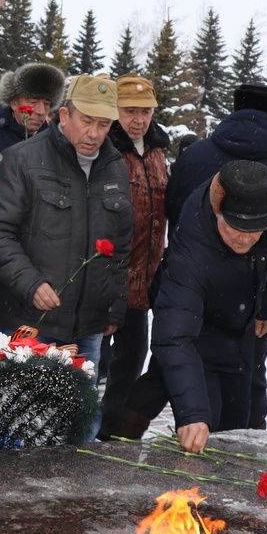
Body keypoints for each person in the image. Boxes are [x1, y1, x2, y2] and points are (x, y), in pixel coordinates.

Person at [163, 82, 267, 429]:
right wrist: (266, 301)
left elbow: (173, 208)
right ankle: (240, 440)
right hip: (249, 303)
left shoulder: (197, 155)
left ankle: (193, 425)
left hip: (188, 286)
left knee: (184, 364)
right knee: (245, 382)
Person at [0, 73, 133, 375]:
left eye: (103, 124)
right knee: (18, 416)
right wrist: (31, 284)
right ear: (64, 114)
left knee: (80, 419)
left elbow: (120, 245)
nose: (94, 133)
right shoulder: (22, 159)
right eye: (87, 121)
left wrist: (114, 306)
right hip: (27, 322)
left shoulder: (115, 169)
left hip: (87, 328)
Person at [152, 160, 267, 454]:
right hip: (198, 326)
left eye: (254, 231)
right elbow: (173, 335)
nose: (244, 237)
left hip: (240, 325)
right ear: (218, 212)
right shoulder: (192, 247)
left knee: (238, 423)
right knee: (205, 419)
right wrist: (192, 414)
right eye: (234, 227)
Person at [99, 73, 170, 425]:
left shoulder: (157, 150)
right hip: (108, 273)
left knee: (132, 358)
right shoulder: (105, 150)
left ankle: (111, 431)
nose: (138, 119)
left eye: (145, 110)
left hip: (145, 276)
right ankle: (87, 429)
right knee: (95, 358)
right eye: (129, 110)